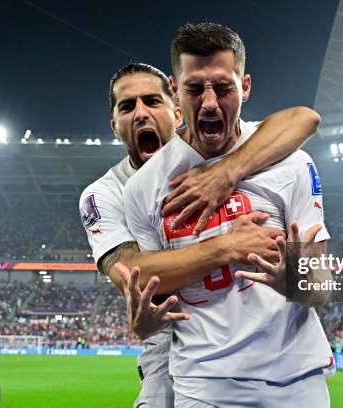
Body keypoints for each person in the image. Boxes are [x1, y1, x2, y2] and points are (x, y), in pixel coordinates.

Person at [80, 62, 321, 407]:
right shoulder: (107, 192)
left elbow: (303, 119)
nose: (141, 114)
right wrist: (225, 246)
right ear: (114, 125)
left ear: (177, 110)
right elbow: (131, 273)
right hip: (168, 345)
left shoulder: (220, 155)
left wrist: (227, 170)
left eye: (152, 101)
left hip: (273, 358)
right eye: (127, 106)